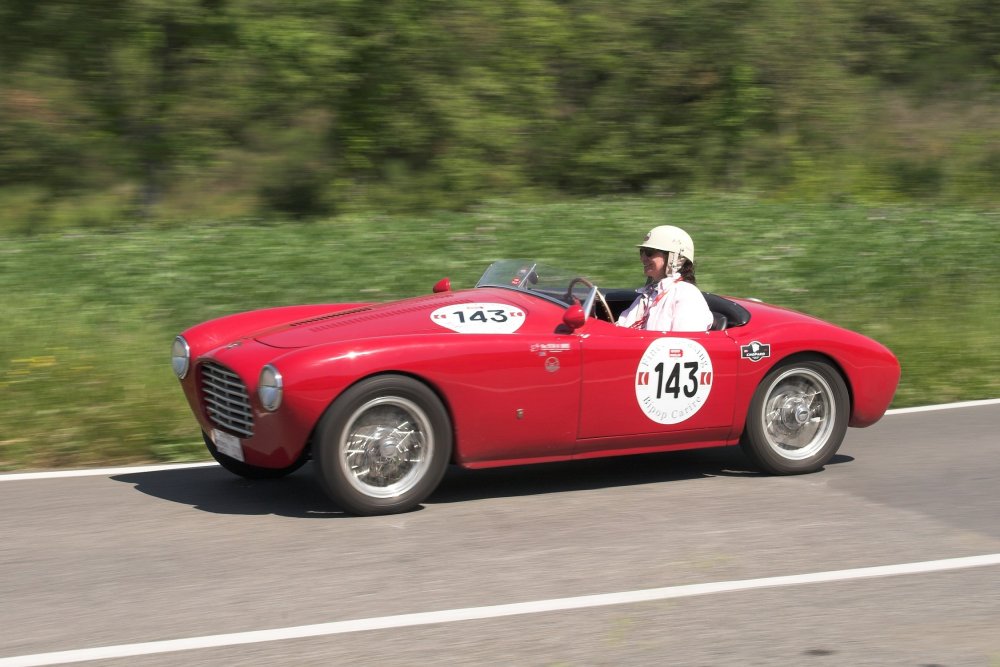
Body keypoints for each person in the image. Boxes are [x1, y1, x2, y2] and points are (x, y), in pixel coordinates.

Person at [616, 225, 713, 332]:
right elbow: (620, 329)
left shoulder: (687, 295)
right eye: (642, 252)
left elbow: (685, 343)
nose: (643, 258)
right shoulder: (648, 294)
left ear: (674, 258)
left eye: (649, 252)